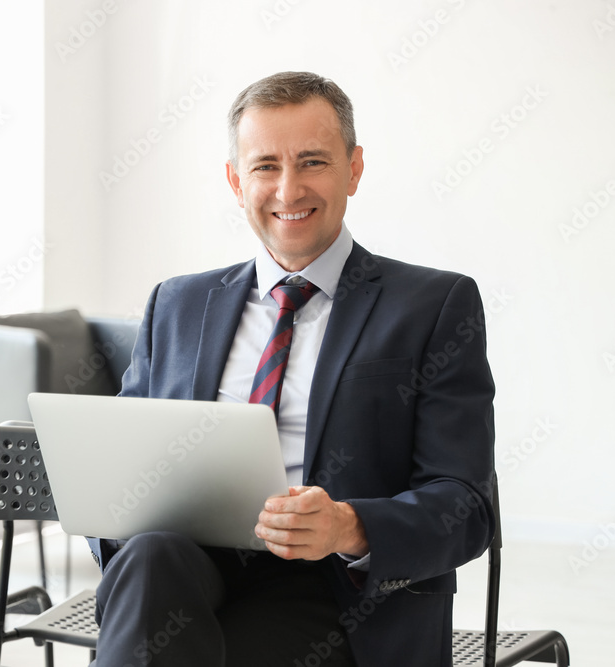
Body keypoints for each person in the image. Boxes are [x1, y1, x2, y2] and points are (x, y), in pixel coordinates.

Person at [88, 71, 495, 667]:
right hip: (187, 571)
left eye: (312, 162)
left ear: (354, 169)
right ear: (235, 180)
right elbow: (119, 474)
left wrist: (348, 526)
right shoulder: (177, 304)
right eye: (264, 167)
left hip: (338, 594)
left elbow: (466, 505)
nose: (288, 189)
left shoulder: (433, 306)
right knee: (149, 558)